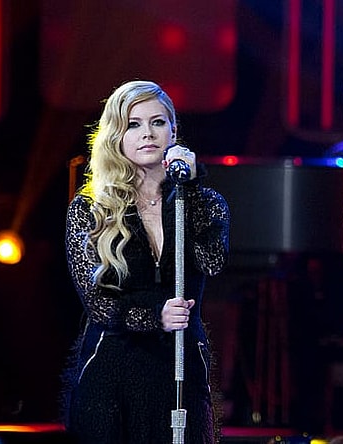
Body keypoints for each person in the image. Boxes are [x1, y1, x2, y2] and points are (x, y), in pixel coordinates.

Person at [60, 80, 230, 443]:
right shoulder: (91, 208)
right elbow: (98, 304)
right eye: (133, 124)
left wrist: (191, 191)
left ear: (173, 131)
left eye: (158, 122)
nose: (147, 133)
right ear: (116, 136)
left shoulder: (203, 201)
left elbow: (212, 261)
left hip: (179, 367)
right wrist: (157, 316)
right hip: (112, 371)